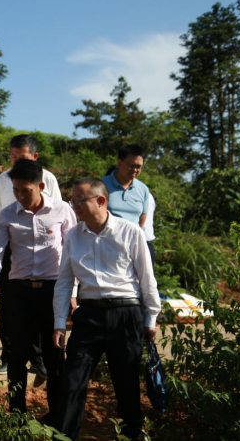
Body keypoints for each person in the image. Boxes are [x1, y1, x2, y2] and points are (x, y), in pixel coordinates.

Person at [53, 177, 161, 440]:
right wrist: (59, 322)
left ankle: (130, 436)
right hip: (88, 315)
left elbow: (147, 278)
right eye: (72, 200)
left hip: (126, 315)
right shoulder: (73, 236)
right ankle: (64, 437)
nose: (74, 205)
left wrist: (151, 317)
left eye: (80, 200)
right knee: (72, 381)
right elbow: (65, 281)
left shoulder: (130, 231)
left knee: (126, 385)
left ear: (101, 201)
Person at [0, 159, 76, 422]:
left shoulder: (62, 210)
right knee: (16, 355)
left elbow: (73, 252)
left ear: (41, 186)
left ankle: (58, 415)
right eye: (16, 190)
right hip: (18, 293)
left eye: (26, 190)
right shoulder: (8, 214)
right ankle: (17, 415)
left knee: (54, 355)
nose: (21, 196)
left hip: (53, 293)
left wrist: (74, 292)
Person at [0, 134, 62, 377]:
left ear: (34, 157)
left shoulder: (48, 179)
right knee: (11, 307)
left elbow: (59, 219)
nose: (15, 162)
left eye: (20, 157)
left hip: (46, 250)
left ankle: (40, 360)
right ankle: (9, 355)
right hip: (14, 238)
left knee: (46, 315)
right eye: (12, 157)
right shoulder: (2, 180)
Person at [101, 145, 150, 228]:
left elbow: (143, 215)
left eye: (138, 167)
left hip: (132, 239)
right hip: (106, 238)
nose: (135, 170)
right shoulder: (101, 185)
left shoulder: (143, 189)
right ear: (119, 163)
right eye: (131, 165)